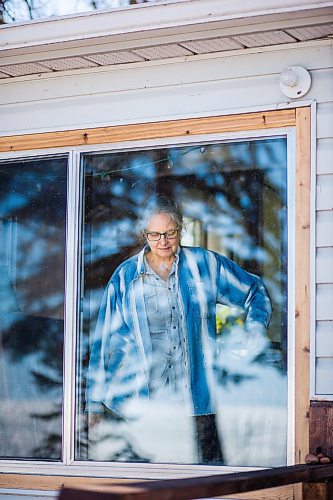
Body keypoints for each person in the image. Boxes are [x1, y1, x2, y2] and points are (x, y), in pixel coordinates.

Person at [86, 198, 272, 464]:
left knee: (207, 485)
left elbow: (255, 292)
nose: (163, 241)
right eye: (155, 234)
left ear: (180, 230)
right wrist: (93, 403)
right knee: (152, 485)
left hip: (200, 406)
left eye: (170, 233)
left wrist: (254, 331)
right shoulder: (125, 277)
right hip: (146, 408)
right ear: (145, 235)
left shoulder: (204, 265)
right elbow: (105, 342)